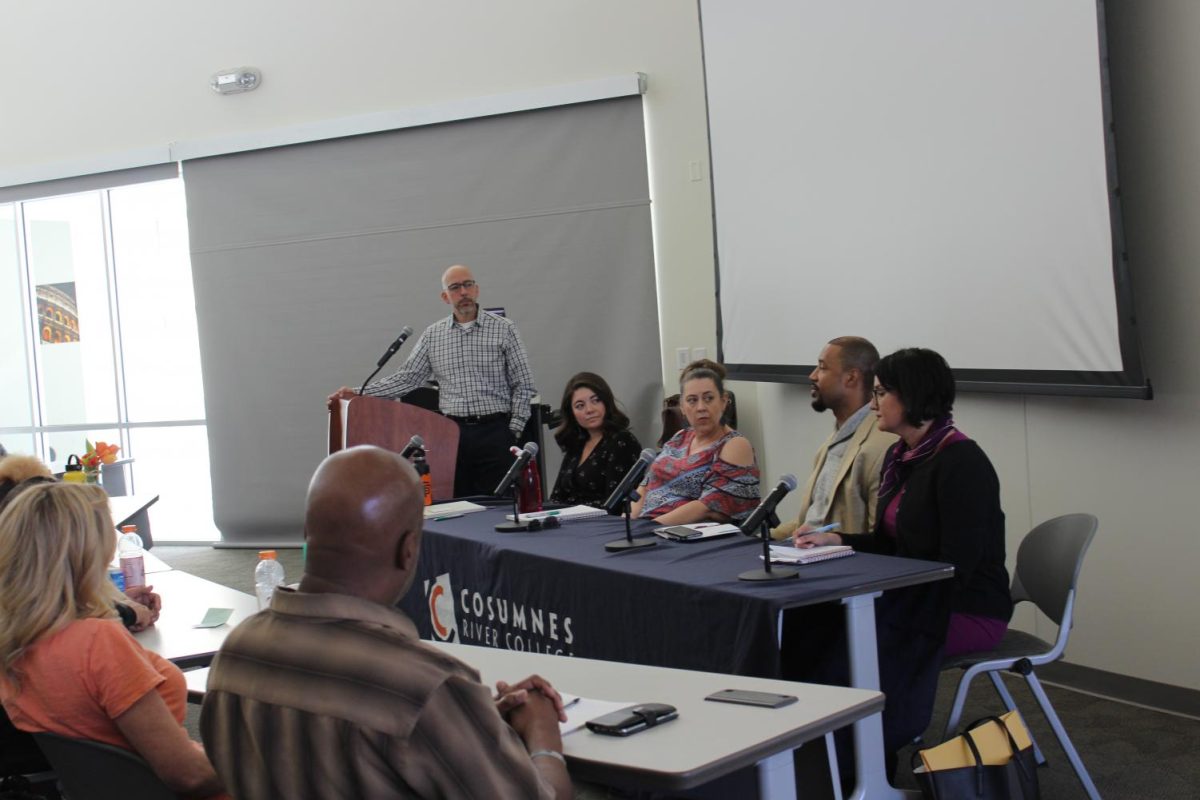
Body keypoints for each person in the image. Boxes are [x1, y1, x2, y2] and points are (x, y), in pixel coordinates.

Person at [200, 446, 573, 799]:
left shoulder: (235, 653)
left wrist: (472, 720)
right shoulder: (427, 688)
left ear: (306, 535)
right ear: (408, 549)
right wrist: (543, 735)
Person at [0, 482, 226, 799]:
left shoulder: (15, 640)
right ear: (89, 553)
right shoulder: (96, 642)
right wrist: (262, 760)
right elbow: (189, 776)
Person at [795, 347, 1012, 657]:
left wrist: (889, 598)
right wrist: (835, 538)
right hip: (916, 596)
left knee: (843, 639)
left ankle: (878, 706)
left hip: (965, 609)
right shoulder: (900, 458)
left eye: (881, 393)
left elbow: (955, 569)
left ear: (911, 395)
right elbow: (891, 545)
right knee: (810, 623)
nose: (873, 405)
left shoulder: (962, 462)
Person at [327, 264, 537, 497]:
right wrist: (357, 393)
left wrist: (513, 430)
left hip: (496, 433)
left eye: (468, 285)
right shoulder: (433, 336)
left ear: (477, 289)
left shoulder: (504, 329)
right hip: (452, 436)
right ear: (445, 297)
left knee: (500, 508)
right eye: (455, 287)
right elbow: (407, 378)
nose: (463, 292)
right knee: (459, 507)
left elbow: (524, 384)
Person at [773, 337, 897, 540]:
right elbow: (812, 521)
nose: (812, 376)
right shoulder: (833, 441)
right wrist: (758, 539)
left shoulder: (880, 447)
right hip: (805, 552)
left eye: (822, 368)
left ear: (851, 378)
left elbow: (880, 540)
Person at [631, 365, 759, 524]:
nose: (701, 408)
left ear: (724, 401)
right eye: (692, 400)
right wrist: (628, 525)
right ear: (682, 407)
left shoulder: (735, 445)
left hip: (688, 538)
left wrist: (648, 529)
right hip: (647, 529)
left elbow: (708, 507)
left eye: (708, 398)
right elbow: (645, 487)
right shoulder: (679, 437)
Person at [549, 372, 642, 507]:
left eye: (596, 400)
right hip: (570, 522)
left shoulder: (622, 441)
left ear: (606, 402)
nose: (589, 410)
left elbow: (614, 504)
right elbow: (556, 497)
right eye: (580, 405)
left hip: (604, 523)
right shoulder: (577, 443)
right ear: (572, 413)